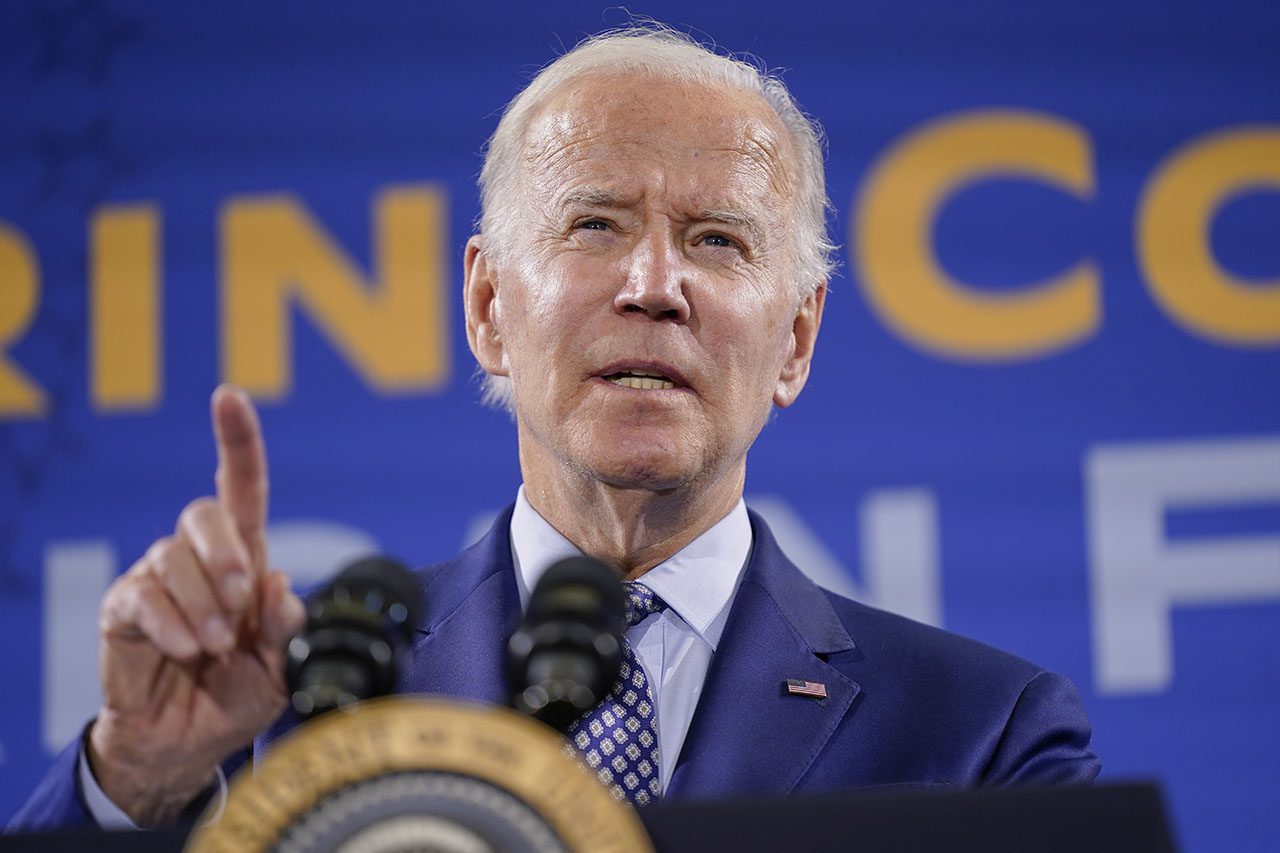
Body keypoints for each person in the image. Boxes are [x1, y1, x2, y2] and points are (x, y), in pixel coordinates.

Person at [9, 25, 1099, 832]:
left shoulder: (981, 734)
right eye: (595, 224)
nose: (654, 283)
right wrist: (136, 783)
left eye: (717, 240)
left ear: (797, 340)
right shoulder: (291, 701)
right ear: (487, 307)